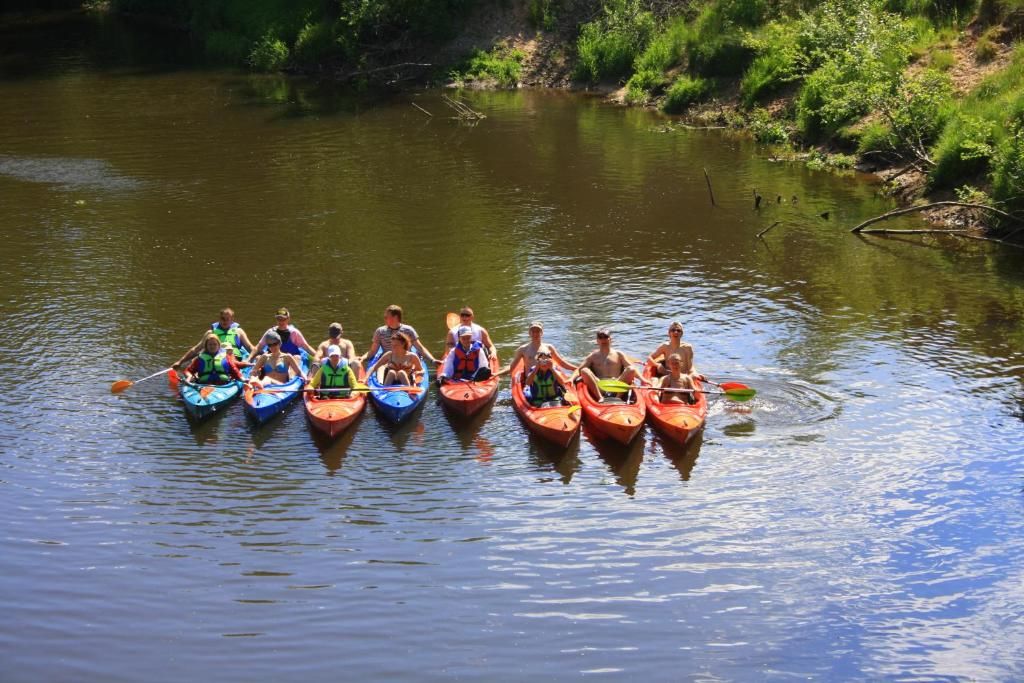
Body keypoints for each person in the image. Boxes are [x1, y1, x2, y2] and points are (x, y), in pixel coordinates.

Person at [573, 328, 646, 402]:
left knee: (631, 369)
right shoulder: (592, 356)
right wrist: (570, 379)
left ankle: (618, 398)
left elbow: (633, 368)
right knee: (584, 370)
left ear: (610, 339)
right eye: (600, 337)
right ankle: (600, 397)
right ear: (597, 340)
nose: (603, 340)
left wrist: (643, 380)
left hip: (617, 384)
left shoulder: (619, 354)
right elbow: (579, 370)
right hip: (599, 385)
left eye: (605, 337)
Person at [360, 304, 441, 367]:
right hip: (387, 361)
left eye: (386, 317)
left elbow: (420, 348)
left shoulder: (408, 330)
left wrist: (432, 360)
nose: (384, 319)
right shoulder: (380, 331)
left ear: (395, 317)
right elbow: (373, 351)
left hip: (406, 361)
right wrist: (363, 358)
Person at [173, 308, 254, 368]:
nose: (224, 321)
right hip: (214, 358)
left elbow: (249, 347)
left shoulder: (238, 331)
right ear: (219, 319)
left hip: (233, 359)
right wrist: (180, 362)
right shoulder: (210, 333)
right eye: (222, 319)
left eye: (227, 319)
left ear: (232, 320)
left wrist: (256, 357)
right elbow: (196, 349)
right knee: (198, 358)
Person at [504, 321, 576, 379]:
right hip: (532, 381)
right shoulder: (523, 349)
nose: (535, 334)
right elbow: (512, 367)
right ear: (529, 333)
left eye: (538, 331)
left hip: (548, 378)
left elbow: (561, 363)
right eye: (533, 331)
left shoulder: (549, 347)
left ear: (541, 333)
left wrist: (576, 369)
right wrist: (497, 374)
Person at [250, 308, 317, 359]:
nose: (281, 322)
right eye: (278, 319)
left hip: (290, 358)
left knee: (297, 358)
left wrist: (317, 357)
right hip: (273, 357)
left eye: (283, 319)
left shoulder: (294, 333)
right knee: (258, 358)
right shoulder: (270, 332)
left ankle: (291, 376)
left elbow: (306, 347)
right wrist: (248, 359)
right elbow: (259, 347)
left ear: (288, 319)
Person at [181, 333, 245, 385]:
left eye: (214, 344)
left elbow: (234, 370)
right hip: (203, 385)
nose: (212, 346)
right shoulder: (200, 359)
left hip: (223, 384)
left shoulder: (226, 357)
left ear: (219, 345)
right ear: (206, 346)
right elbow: (188, 371)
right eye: (210, 344)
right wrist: (189, 377)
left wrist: (242, 378)